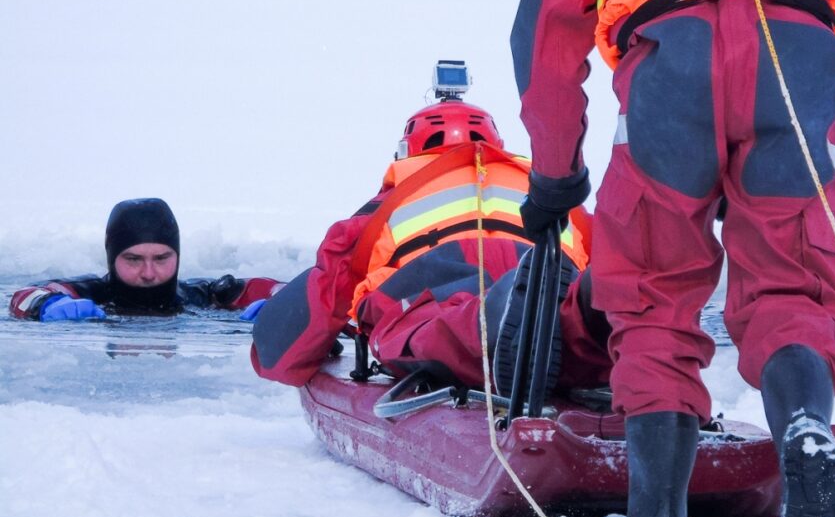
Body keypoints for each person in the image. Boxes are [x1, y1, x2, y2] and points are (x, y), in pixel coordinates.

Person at [509, 0, 835, 517]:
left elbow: (545, 40)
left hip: (674, 61)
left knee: (654, 294)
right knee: (792, 287)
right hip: (799, 62)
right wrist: (831, 129)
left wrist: (557, 178)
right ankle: (804, 428)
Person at [248, 95, 610, 396]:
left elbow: (304, 321)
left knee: (421, 327)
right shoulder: (550, 193)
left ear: (409, 152)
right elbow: (606, 246)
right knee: (568, 318)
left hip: (433, 279)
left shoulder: (387, 204)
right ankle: (595, 310)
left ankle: (491, 324)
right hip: (543, 264)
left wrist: (282, 341)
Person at [8, 198, 282, 321]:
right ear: (112, 257)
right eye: (134, 259)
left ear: (178, 254)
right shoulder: (92, 294)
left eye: (162, 258)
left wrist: (286, 304)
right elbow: (25, 295)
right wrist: (46, 305)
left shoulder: (206, 296)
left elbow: (279, 289)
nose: (149, 273)